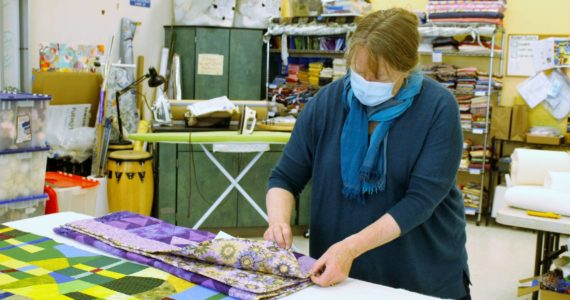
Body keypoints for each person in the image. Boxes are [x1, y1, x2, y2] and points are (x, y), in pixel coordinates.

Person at [263, 8, 470, 300]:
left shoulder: (438, 108)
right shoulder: (327, 103)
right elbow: (284, 178)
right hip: (338, 278)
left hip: (421, 277)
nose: (367, 82)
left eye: (380, 76)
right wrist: (278, 222)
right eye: (360, 72)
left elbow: (421, 201)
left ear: (406, 67)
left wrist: (350, 247)